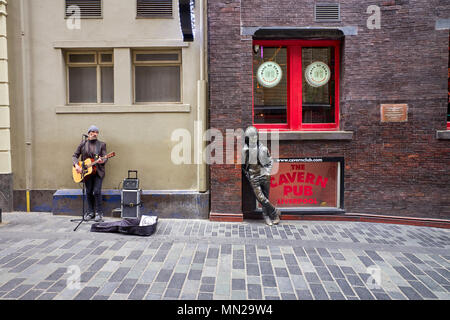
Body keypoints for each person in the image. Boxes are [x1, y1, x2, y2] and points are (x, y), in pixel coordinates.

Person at [242, 126, 281, 226]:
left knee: (265, 197)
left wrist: (267, 172)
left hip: (264, 175)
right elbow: (243, 166)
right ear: (247, 138)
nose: (253, 138)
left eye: (255, 136)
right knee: (261, 197)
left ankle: (268, 217)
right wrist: (248, 175)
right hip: (253, 176)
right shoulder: (245, 150)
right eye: (251, 137)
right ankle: (275, 211)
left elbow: (270, 161)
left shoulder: (263, 149)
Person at [72, 125, 108, 222]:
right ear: (89, 133)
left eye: (96, 132)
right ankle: (91, 212)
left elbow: (105, 157)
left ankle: (99, 213)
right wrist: (77, 166)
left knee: (96, 191)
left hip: (98, 172)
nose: (95, 134)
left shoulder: (101, 144)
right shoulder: (83, 144)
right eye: (93, 132)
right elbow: (74, 156)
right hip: (87, 172)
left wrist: (102, 160)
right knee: (88, 192)